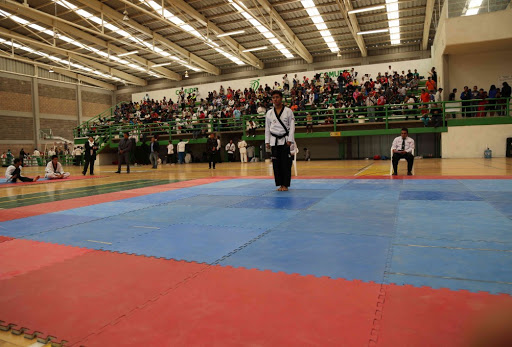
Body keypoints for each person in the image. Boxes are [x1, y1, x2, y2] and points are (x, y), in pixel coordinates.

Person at [265, 90, 295, 191]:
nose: (275, 99)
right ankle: (280, 184)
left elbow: (292, 126)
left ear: (281, 98)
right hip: (274, 141)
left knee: (286, 164)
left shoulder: (288, 111)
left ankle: (285, 185)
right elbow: (267, 128)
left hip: (285, 140)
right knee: (276, 165)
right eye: (273, 98)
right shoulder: (269, 113)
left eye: (277, 97)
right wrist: (267, 141)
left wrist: (290, 139)